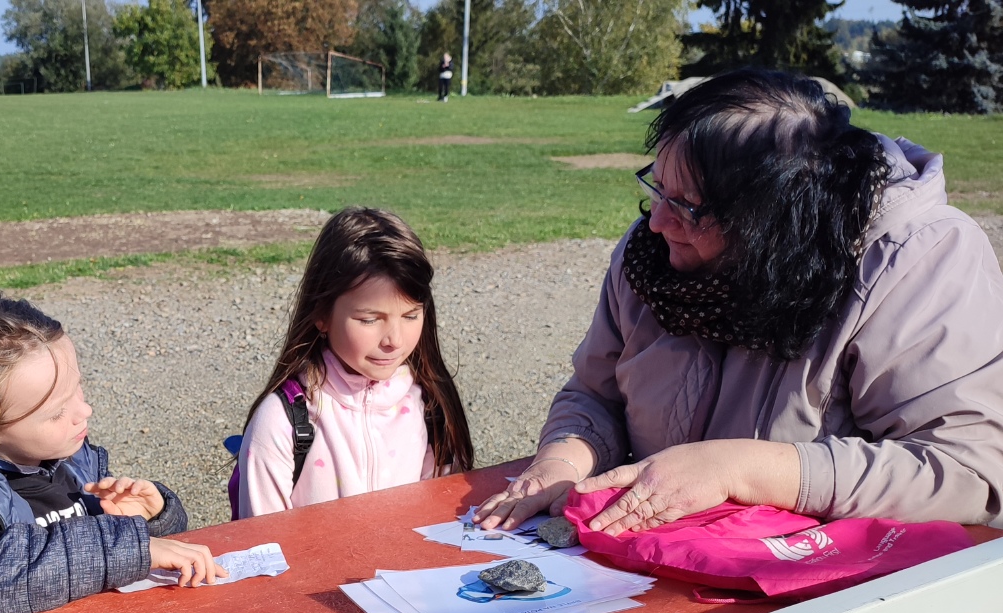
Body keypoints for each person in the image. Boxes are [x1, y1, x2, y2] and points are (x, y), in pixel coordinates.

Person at [475, 68, 1003, 536]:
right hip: (668, 567)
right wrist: (562, 462)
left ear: (780, 221)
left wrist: (741, 470)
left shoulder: (916, 259)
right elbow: (596, 394)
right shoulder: (650, 255)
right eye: (658, 188)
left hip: (836, 591)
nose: (656, 222)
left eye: (688, 206)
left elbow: (969, 473)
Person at [0, 294, 224, 613]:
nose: (84, 411)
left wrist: (151, 522)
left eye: (77, 387)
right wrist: (125, 547)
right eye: (57, 412)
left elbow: (111, 555)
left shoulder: (65, 453)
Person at [235, 207, 475, 517]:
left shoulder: (430, 406)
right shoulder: (282, 421)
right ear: (321, 314)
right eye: (369, 319)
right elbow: (263, 542)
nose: (394, 340)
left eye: (410, 315)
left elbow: (447, 522)